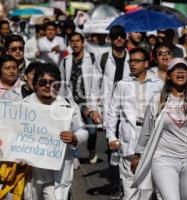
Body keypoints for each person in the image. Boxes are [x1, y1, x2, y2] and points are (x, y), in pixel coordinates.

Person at [130, 57, 187, 200]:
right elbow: (146, 130)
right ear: (168, 75)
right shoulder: (157, 100)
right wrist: (137, 154)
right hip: (163, 159)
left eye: (183, 69)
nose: (180, 72)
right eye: (175, 69)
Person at [106, 47, 163, 200]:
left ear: (146, 63)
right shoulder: (123, 84)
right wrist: (111, 136)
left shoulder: (158, 84)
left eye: (137, 61)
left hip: (150, 136)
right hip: (129, 135)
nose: (132, 64)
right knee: (129, 181)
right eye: (130, 61)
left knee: (146, 186)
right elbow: (113, 111)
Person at [25, 63, 88, 200]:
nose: (48, 86)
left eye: (52, 83)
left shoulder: (68, 105)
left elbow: (83, 131)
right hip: (32, 172)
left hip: (59, 172)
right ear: (35, 84)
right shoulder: (23, 106)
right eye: (43, 82)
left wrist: (75, 137)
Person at [91, 25, 130, 199]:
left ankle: (127, 181)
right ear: (110, 39)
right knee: (113, 146)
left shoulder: (133, 58)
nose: (119, 39)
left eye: (121, 36)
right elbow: (94, 86)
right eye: (115, 36)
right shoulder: (103, 58)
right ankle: (116, 183)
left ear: (126, 38)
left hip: (129, 108)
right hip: (110, 109)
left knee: (129, 144)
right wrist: (93, 109)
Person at [60, 32, 101, 165]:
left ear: (83, 43)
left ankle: (91, 150)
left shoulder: (92, 59)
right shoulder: (66, 61)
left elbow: (97, 81)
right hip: (71, 101)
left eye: (78, 41)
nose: (75, 43)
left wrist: (96, 102)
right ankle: (75, 156)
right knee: (73, 129)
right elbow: (62, 82)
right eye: (72, 41)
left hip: (87, 101)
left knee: (92, 130)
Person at [0, 55, 31, 200]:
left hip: (23, 149)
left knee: (21, 190)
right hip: (2, 148)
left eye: (14, 68)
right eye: (7, 68)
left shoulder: (26, 89)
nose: (12, 71)